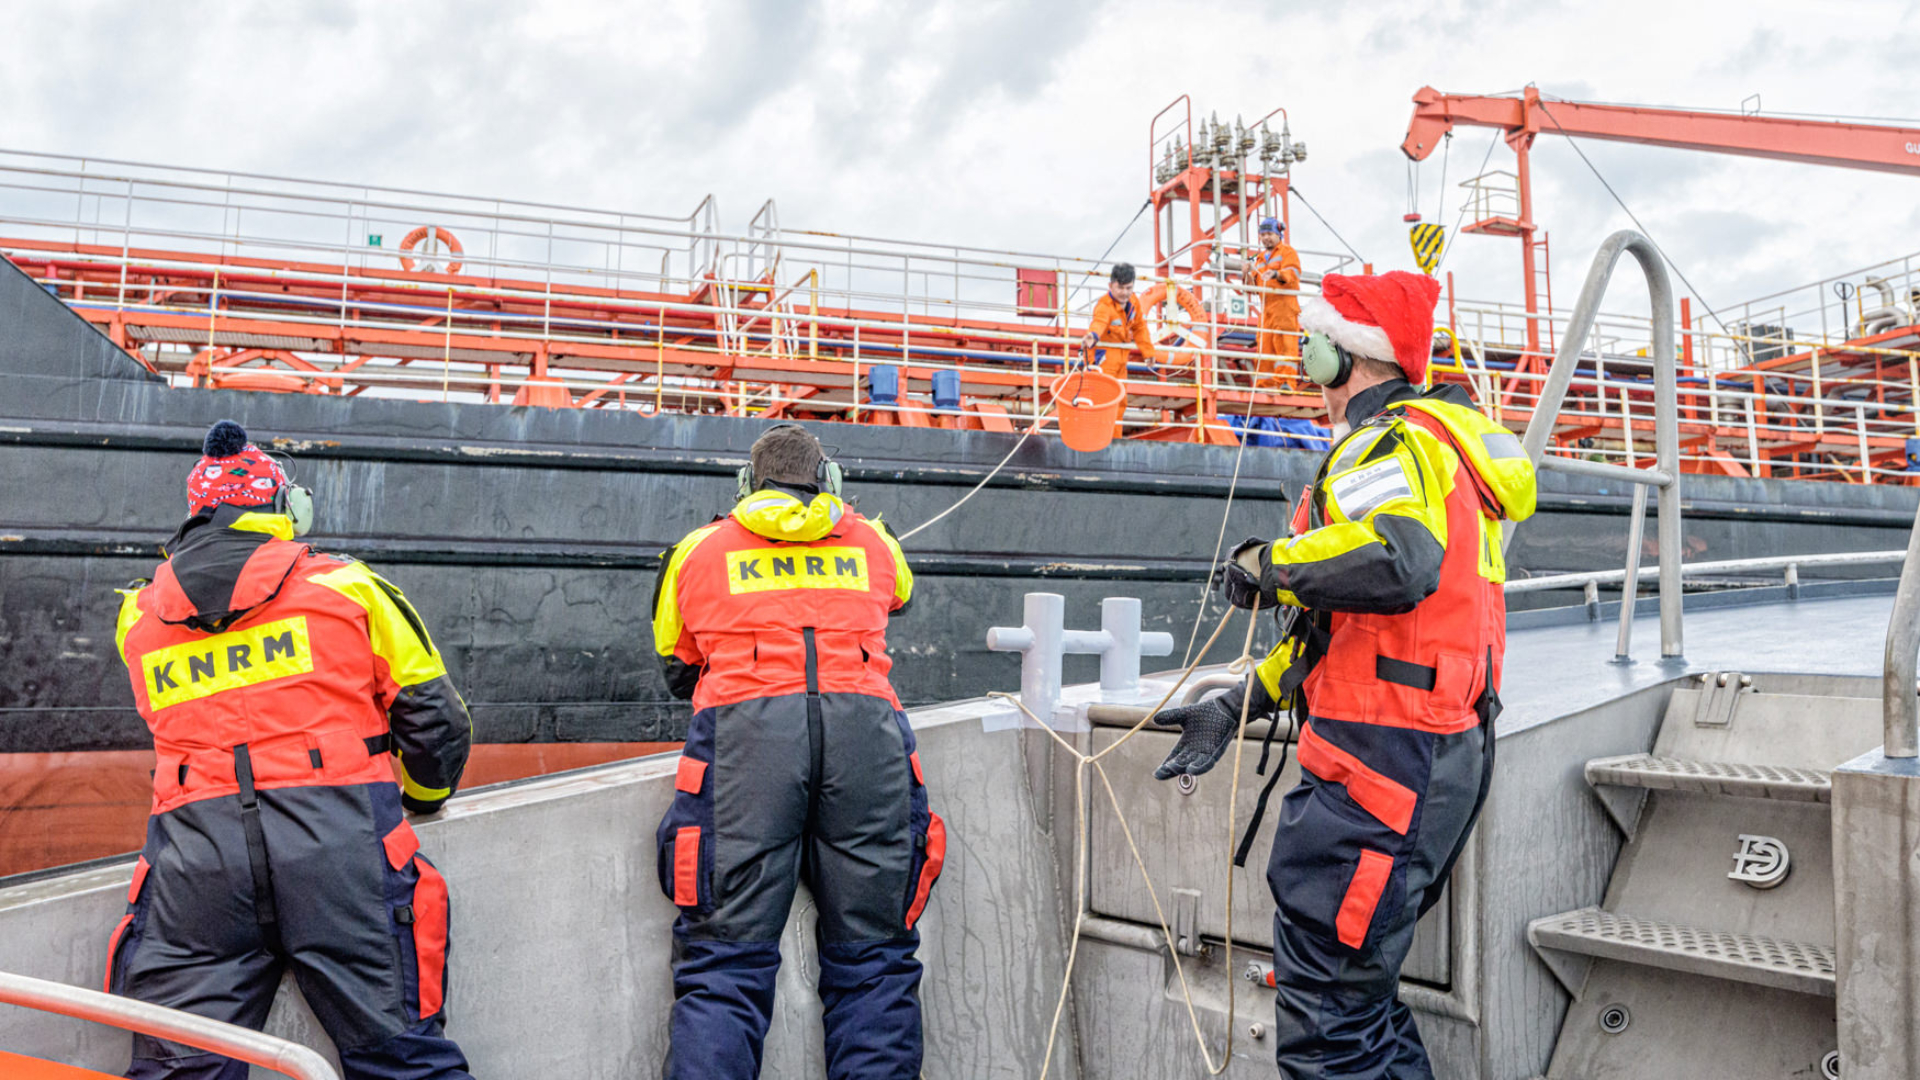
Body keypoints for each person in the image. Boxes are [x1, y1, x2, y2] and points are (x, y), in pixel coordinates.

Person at [1150, 272, 1537, 1078]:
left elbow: (1400, 561)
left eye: (1310, 347)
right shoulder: (1442, 448)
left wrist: (1271, 564)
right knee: (1359, 1010)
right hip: (1426, 755)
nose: (1304, 364)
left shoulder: (1381, 444)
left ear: (1338, 356)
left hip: (1377, 772)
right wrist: (1244, 698)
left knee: (1329, 1030)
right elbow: (1353, 628)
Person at [109, 420, 474, 1080]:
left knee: (180, 1068)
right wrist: (423, 799)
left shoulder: (140, 616)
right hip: (341, 852)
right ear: (278, 508)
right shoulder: (346, 587)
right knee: (402, 1059)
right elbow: (435, 720)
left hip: (195, 864)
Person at [651, 423, 942, 1080]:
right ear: (829, 481)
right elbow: (902, 594)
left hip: (744, 749)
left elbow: (676, 661)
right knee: (877, 961)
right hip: (867, 742)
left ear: (746, 487)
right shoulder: (872, 541)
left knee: (723, 966)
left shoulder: (698, 550)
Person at [1246, 217, 1303, 387]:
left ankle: (1286, 380)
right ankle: (1265, 384)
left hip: (1285, 306)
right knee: (1265, 345)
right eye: (1262, 235)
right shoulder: (1259, 258)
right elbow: (1251, 288)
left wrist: (1276, 274)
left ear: (1278, 234)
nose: (1265, 238)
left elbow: (1293, 274)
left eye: (1269, 234)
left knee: (1285, 344)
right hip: (1267, 309)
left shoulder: (1287, 252)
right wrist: (1246, 274)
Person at [1080, 262, 1159, 377]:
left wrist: (1148, 353)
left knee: (1121, 395)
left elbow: (1139, 327)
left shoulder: (1133, 302)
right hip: (1102, 361)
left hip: (1121, 363)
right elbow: (1099, 322)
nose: (1124, 293)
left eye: (1129, 288)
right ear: (1110, 286)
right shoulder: (1104, 305)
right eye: (1120, 288)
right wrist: (1093, 335)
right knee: (1103, 393)